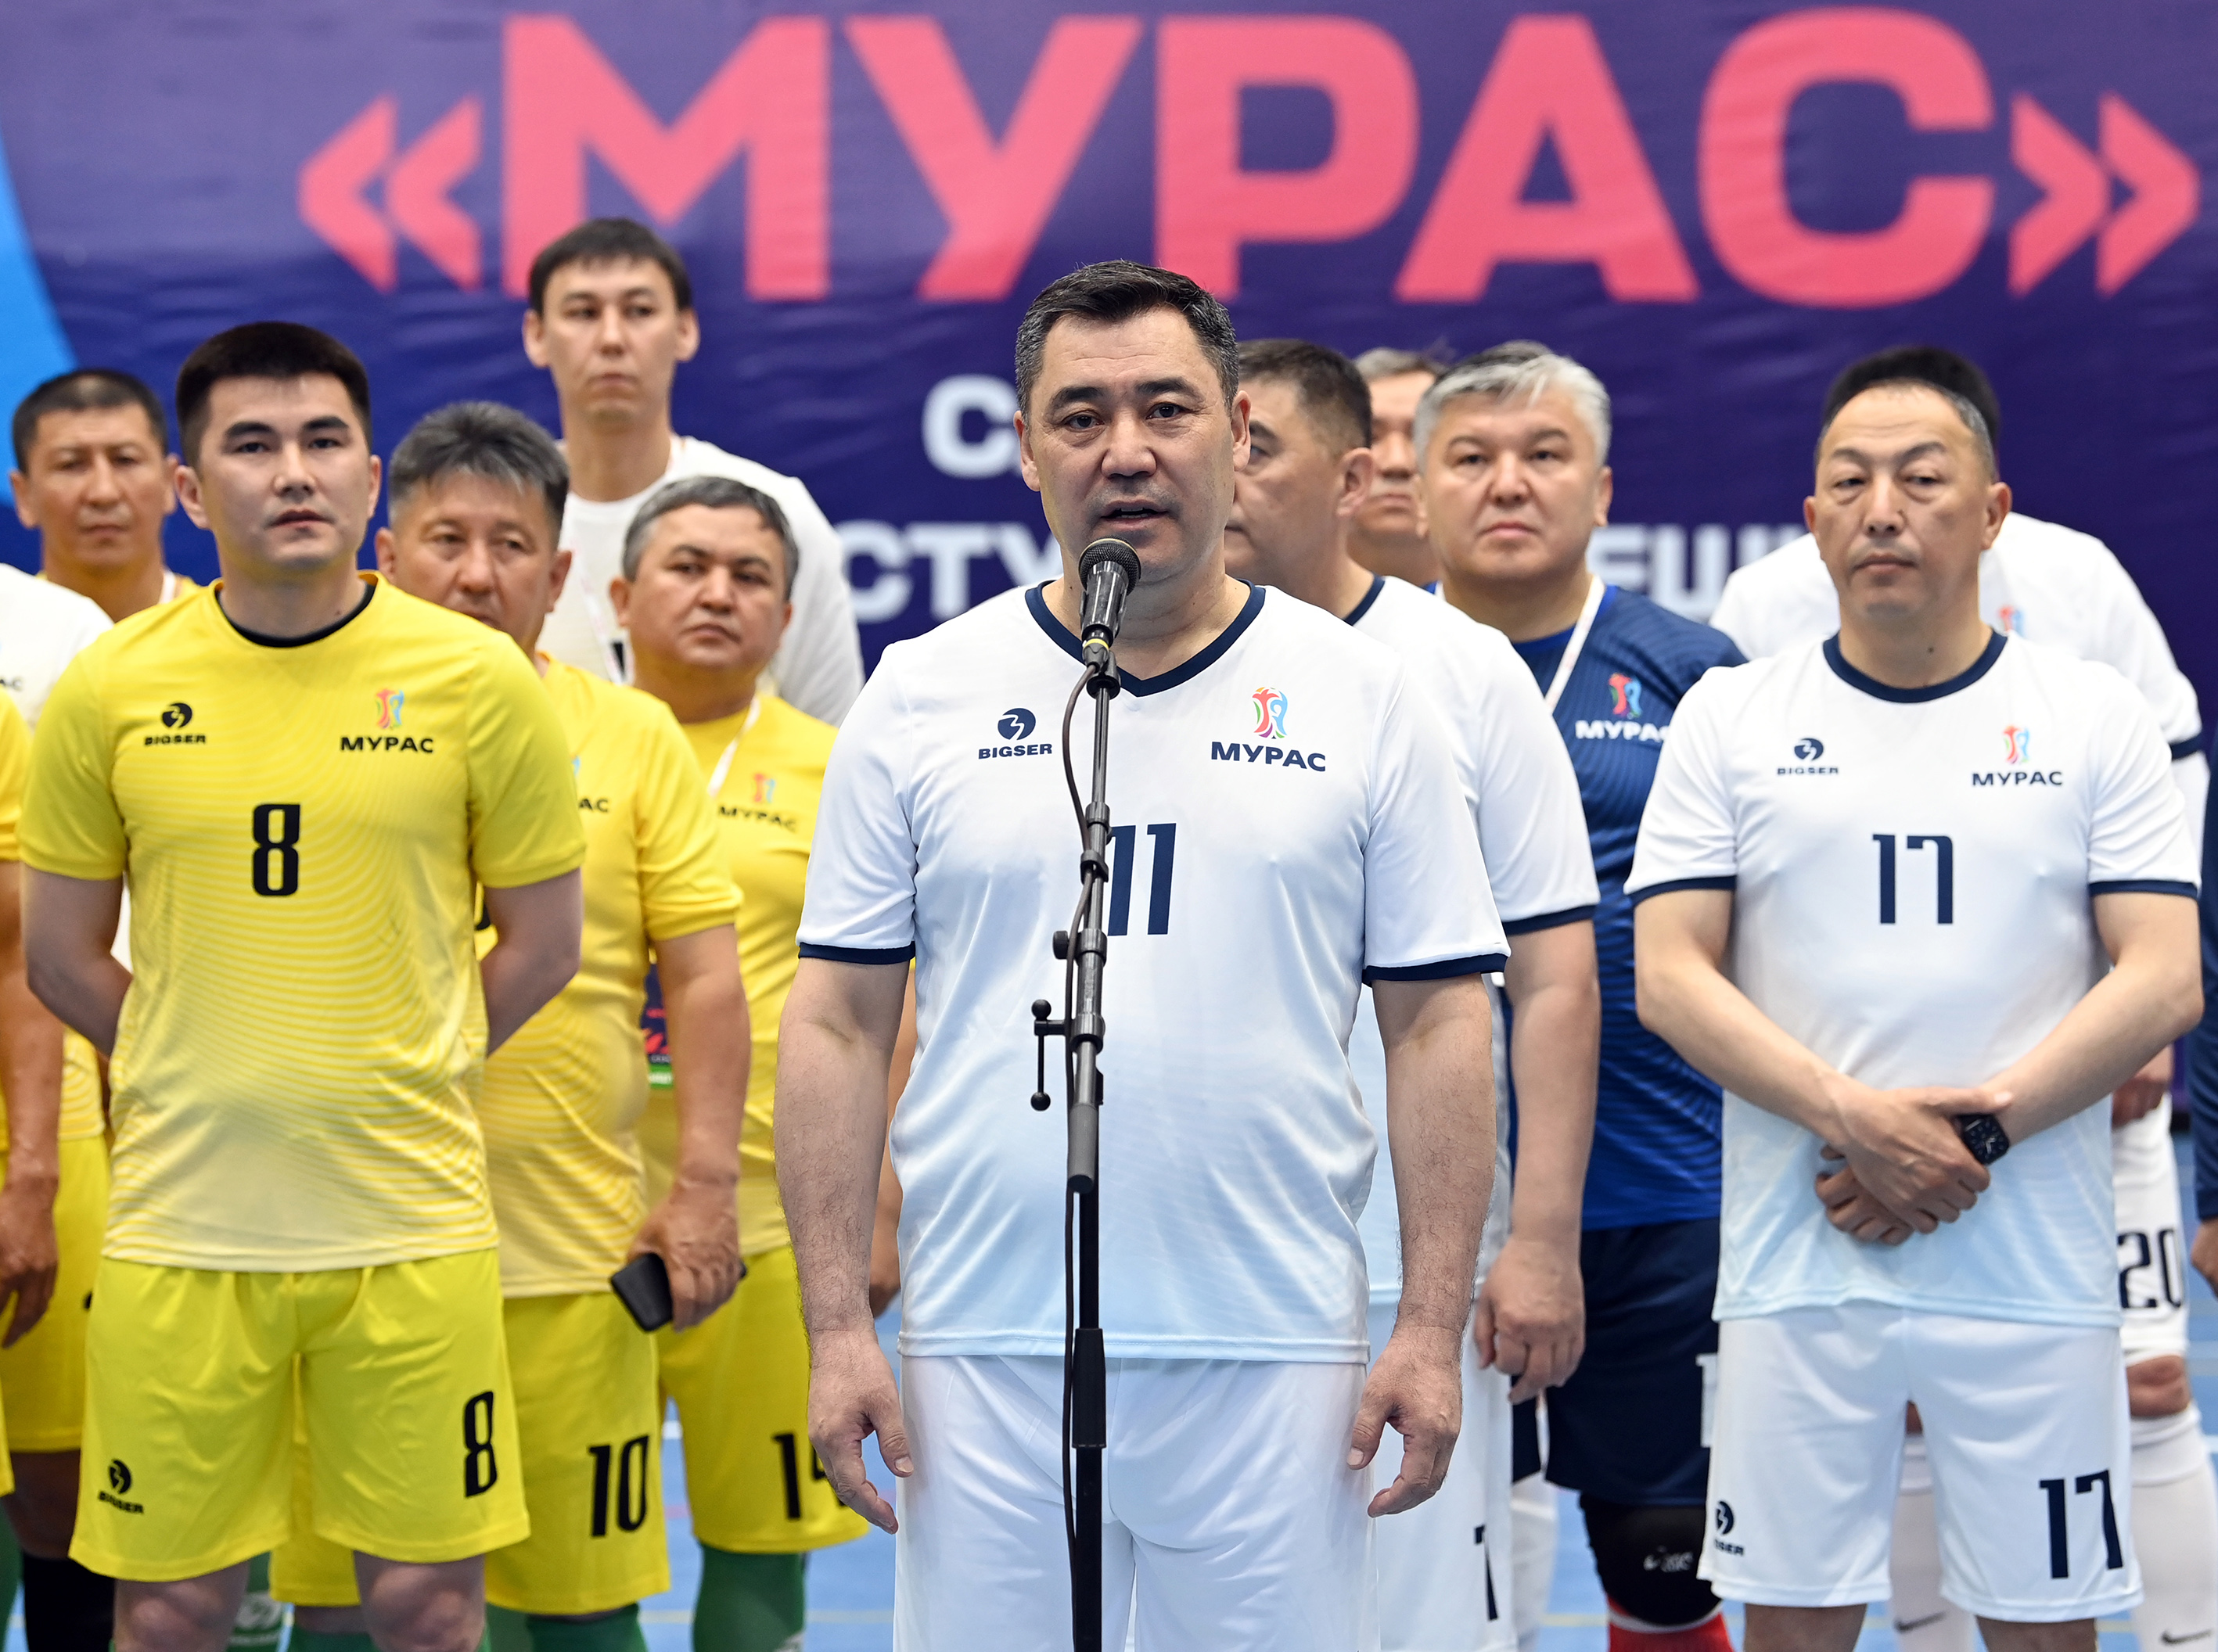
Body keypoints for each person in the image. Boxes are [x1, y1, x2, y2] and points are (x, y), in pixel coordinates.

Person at [778, 260, 1505, 1650]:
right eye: (1081, 416)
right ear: (1024, 448)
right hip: (982, 1348)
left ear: (1236, 433)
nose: (1125, 450)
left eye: (1166, 409)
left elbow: (1437, 1023)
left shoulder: (1368, 696)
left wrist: (1425, 1325)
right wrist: (834, 1329)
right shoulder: (921, 691)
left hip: (1275, 1348)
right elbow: (837, 1023)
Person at [18, 322, 588, 1652]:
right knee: (168, 1615)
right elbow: (57, 955)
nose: (293, 471)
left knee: (429, 1611)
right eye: (253, 444)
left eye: (324, 440)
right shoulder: (109, 683)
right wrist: (181, 1057)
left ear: (370, 477)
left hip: (410, 1225)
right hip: (181, 1232)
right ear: (188, 486)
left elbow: (545, 944)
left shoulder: (476, 678)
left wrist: (416, 1056)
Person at [1630, 374, 2201, 1652]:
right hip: (1796, 1263)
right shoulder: (1731, 714)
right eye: (1848, 482)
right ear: (1811, 521)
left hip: (2031, 1267)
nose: (1881, 509)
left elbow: (2164, 976)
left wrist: (1972, 1136)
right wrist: (1858, 1121)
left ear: (1992, 512)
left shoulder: (2090, 713)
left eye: (1921, 479)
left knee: (2043, 1626)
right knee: (1792, 1624)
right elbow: (1668, 975)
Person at [263, 403, 749, 1652]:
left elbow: (703, 977)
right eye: (446, 541)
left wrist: (703, 1188)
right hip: (344, 1253)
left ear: (560, 570)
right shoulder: (294, 717)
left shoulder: (629, 733)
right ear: (387, 555)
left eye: (511, 545)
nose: (477, 575)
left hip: (568, 1262)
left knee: (580, 1615)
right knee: (342, 1616)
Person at [1224, 336, 1599, 1652]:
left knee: (1426, 1621)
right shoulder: (1118, 672)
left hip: (1411, 1250)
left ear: (1351, 477)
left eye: (1255, 447)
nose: (1215, 474)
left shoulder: (1462, 669)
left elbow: (1552, 977)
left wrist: (1535, 1239)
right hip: (1199, 1255)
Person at [1421, 343, 1745, 1652]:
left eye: (1543, 454)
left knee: (1664, 1574)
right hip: (1422, 1204)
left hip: (1662, 1194)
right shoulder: (1353, 668)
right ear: (1415, 489)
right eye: (1472, 457)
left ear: (1602, 490)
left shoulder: (1694, 669)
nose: (1508, 483)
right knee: (1421, 1568)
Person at [606, 474, 867, 1651]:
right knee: (556, 1545)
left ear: (788, 617)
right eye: (688, 567)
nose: (718, 594)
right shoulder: (549, 740)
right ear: (620, 596)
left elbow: (892, 1003)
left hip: (771, 1215)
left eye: (750, 576)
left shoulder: (841, 767)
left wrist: (879, 1209)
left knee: (764, 1538)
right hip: (574, 1206)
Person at [520, 217, 863, 723]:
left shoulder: (775, 513)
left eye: (639, 311)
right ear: (537, 336)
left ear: (685, 330)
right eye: (583, 313)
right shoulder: (503, 520)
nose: (611, 338)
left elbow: (831, 739)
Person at [11, 369, 198, 622]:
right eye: (70, 464)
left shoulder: (228, 635)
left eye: (125, 460)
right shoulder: (9, 636)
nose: (104, 493)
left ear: (168, 482)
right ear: (24, 495)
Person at [1349, 349, 1445, 589]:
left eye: (1419, 434)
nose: (1397, 463)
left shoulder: (1512, 603)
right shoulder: (1275, 605)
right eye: (1370, 436)